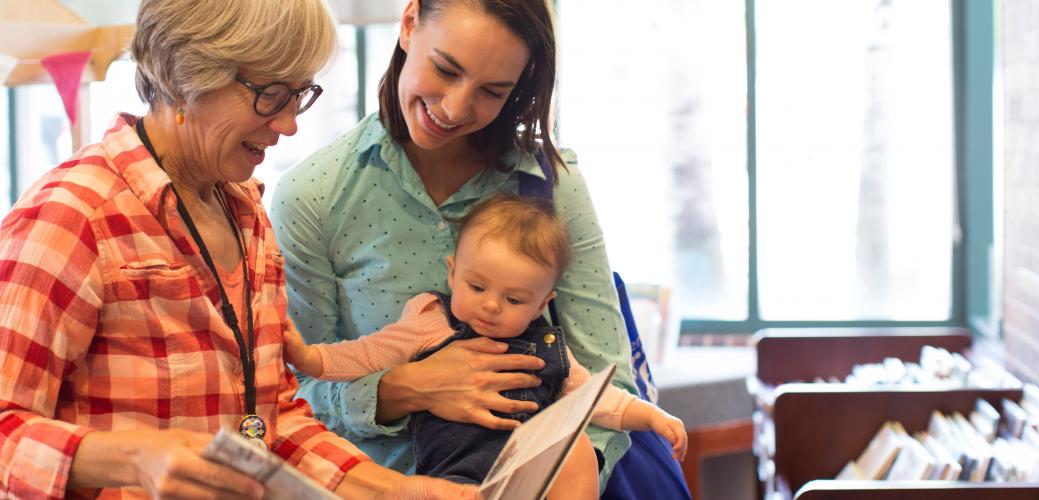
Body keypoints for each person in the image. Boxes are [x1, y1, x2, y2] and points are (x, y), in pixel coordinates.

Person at [0, 0, 475, 498]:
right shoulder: (75, 216)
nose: (289, 124)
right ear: (184, 72)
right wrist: (133, 458)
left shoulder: (245, 211)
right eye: (271, 95)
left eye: (300, 95)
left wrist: (395, 490)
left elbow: (268, 420)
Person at [271, 0, 641, 489]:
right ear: (408, 24)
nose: (455, 108)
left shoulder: (552, 185)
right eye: (446, 69)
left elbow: (605, 383)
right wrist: (407, 388)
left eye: (492, 91)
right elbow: (293, 394)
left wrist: (560, 478)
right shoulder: (314, 195)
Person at [282, 193, 688, 496]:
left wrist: (652, 417)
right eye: (477, 287)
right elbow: (367, 353)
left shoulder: (547, 346)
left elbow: (598, 398)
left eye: (514, 300)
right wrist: (310, 357)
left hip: (528, 476)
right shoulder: (431, 322)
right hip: (455, 478)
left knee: (578, 449)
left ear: (541, 304)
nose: (491, 306)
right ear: (453, 273)